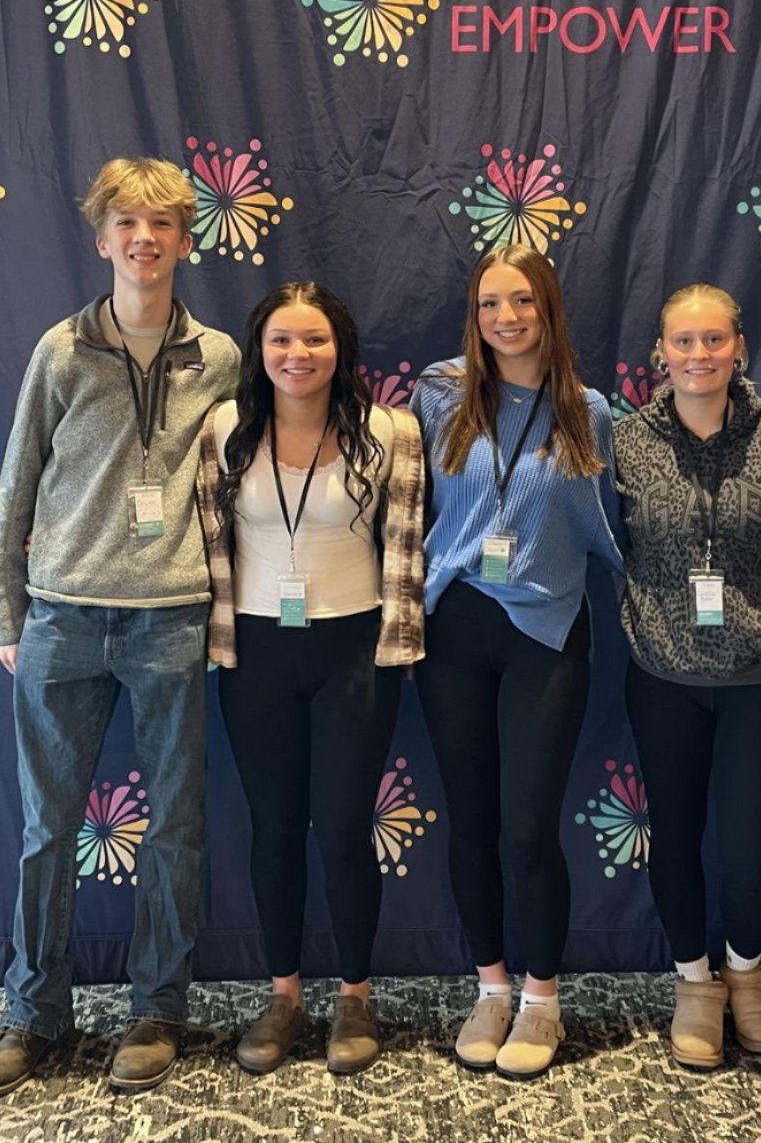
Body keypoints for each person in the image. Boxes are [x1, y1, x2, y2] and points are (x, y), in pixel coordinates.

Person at [0, 159, 241, 1097]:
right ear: (103, 239)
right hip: (64, 617)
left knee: (174, 826)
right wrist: (9, 610)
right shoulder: (59, 351)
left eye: (163, 224)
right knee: (48, 828)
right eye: (127, 223)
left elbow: (235, 496)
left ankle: (157, 1007)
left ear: (185, 240)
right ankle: (32, 1012)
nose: (145, 239)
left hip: (169, 619)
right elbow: (16, 485)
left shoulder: (220, 359)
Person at [195, 282, 424, 1076]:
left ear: (341, 350)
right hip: (255, 652)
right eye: (282, 341)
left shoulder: (390, 432)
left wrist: (394, 645)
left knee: (342, 826)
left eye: (315, 340)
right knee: (273, 828)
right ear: (259, 350)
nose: (298, 355)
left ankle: (355, 997)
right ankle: (285, 995)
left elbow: (406, 551)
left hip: (354, 652)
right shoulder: (224, 428)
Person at [409, 242, 624, 1079]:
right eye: (491, 302)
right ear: (475, 312)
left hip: (548, 627)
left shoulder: (587, 411)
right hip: (454, 627)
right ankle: (490, 986)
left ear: (547, 310)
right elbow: (408, 499)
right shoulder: (439, 394)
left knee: (529, 823)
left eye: (522, 302)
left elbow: (608, 524)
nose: (506, 317)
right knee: (471, 818)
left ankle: (540, 999)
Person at [616, 283, 761, 1070]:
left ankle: (745, 970)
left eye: (712, 340)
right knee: (674, 835)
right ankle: (694, 982)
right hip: (661, 671)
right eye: (682, 342)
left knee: (749, 849)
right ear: (659, 353)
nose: (697, 356)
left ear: (738, 347)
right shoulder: (626, 438)